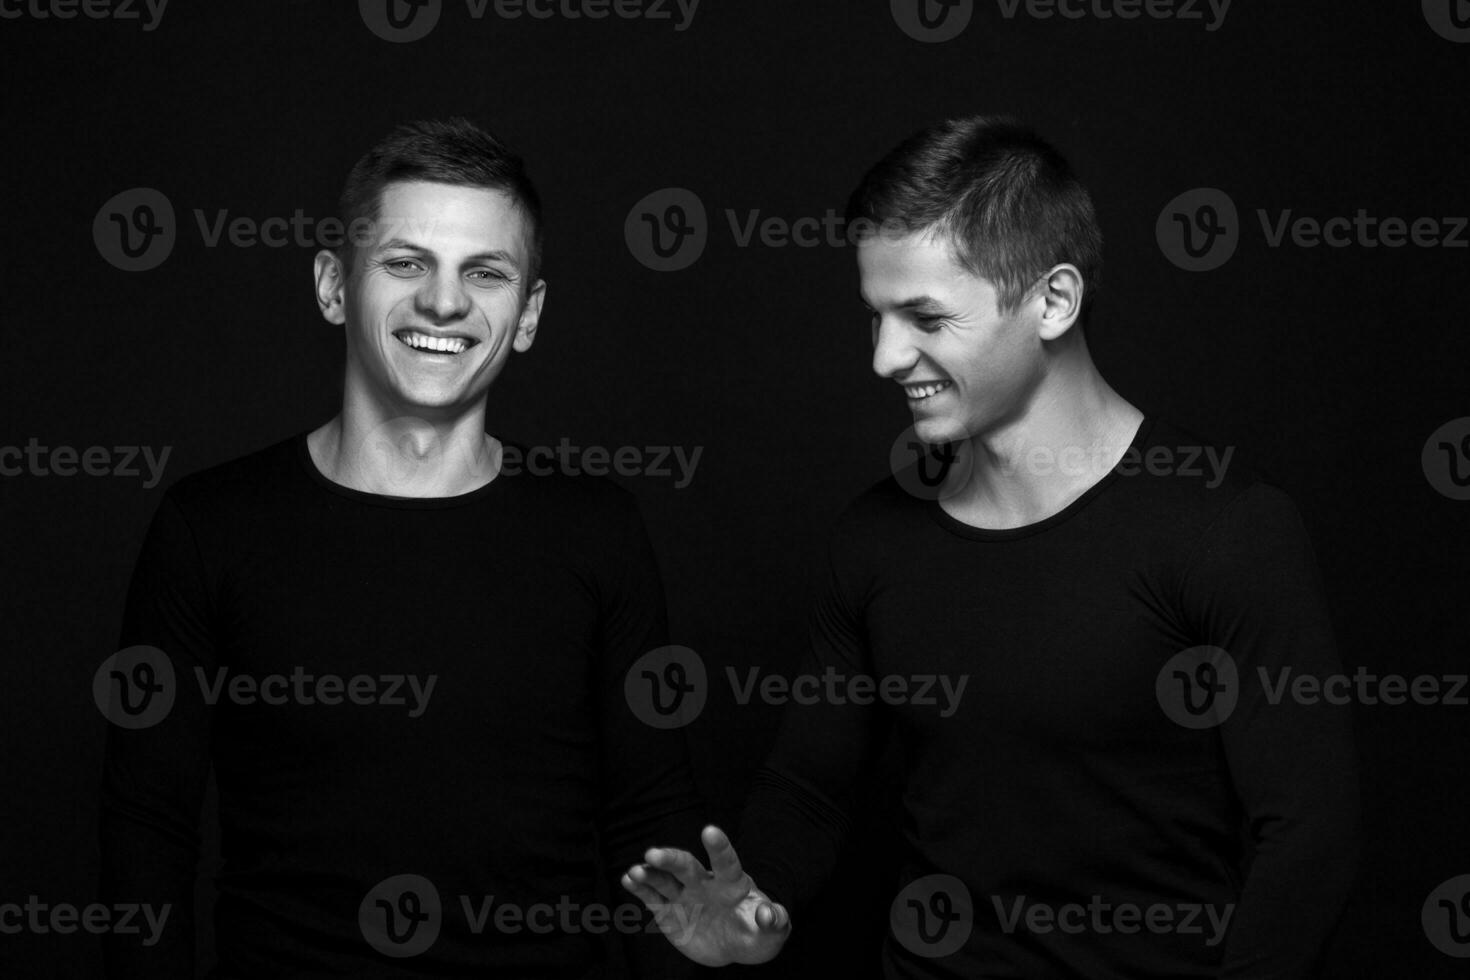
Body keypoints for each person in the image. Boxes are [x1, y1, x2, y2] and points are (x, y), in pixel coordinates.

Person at [622, 115, 1361, 978]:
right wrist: (761, 907)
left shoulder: (1225, 530)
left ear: (1052, 301)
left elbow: (1309, 838)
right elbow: (810, 789)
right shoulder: (876, 539)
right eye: (875, 316)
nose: (887, 358)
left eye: (926, 317)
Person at [99, 117, 702, 978]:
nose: (444, 303)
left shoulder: (596, 530)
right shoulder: (210, 526)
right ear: (333, 286)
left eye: (484, 273)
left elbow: (654, 820)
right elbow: (145, 834)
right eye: (406, 263)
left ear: (527, 315)